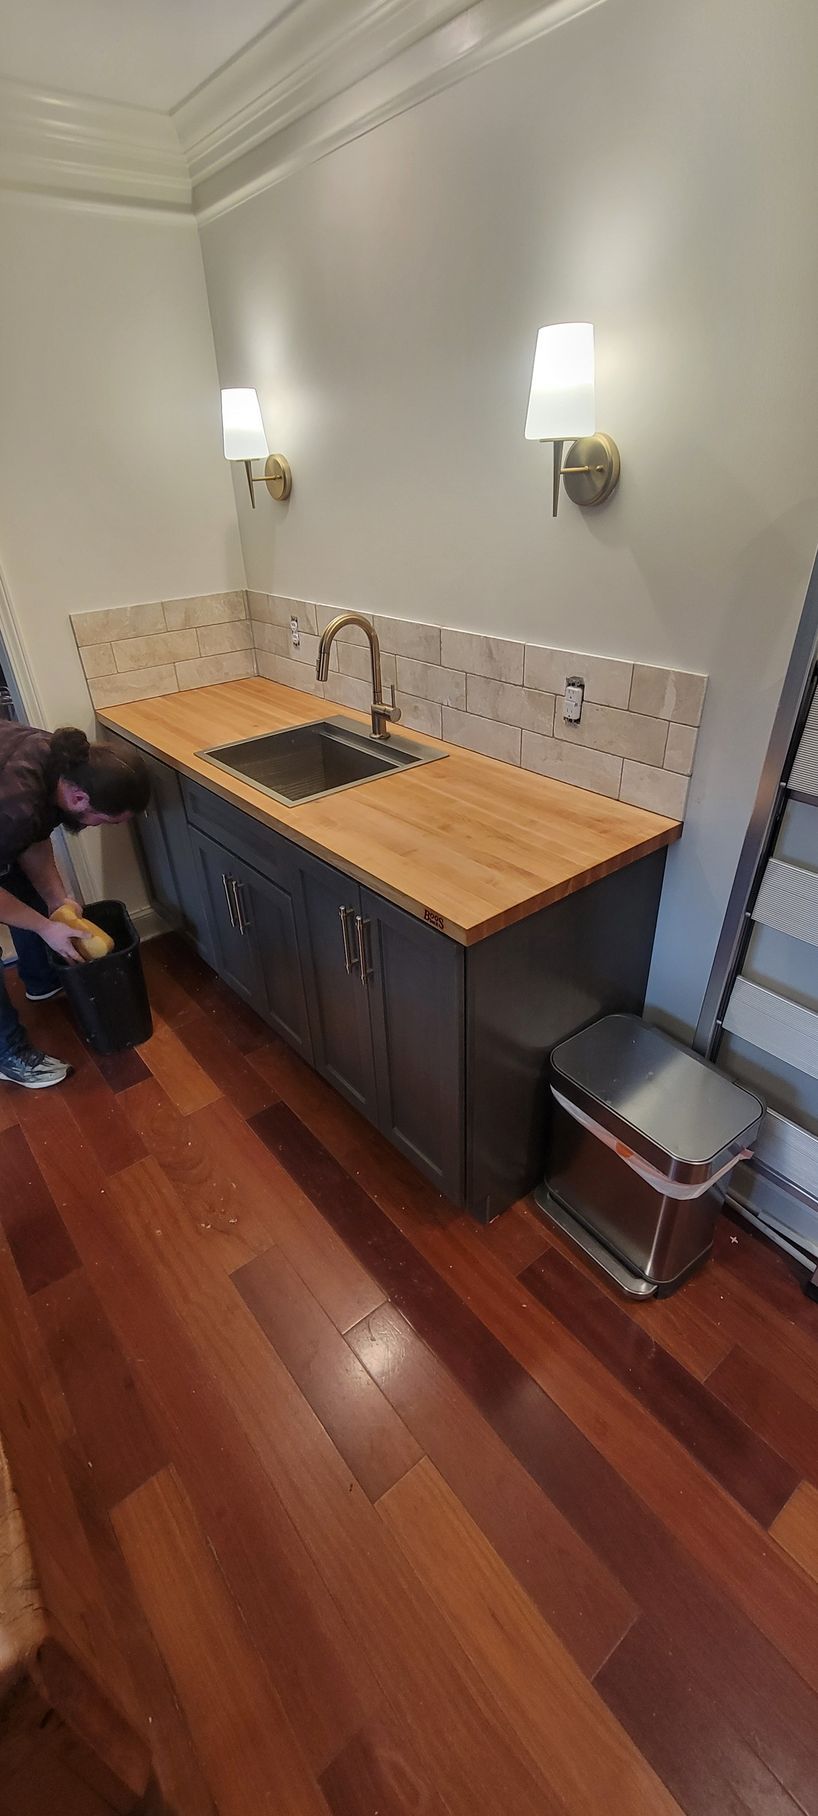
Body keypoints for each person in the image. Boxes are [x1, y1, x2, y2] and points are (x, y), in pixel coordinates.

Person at [0, 722, 150, 1088]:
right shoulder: (13, 804)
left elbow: (33, 837)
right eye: (106, 821)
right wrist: (44, 927)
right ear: (80, 799)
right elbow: (20, 819)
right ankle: (8, 1053)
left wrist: (56, 900)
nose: (102, 827)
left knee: (33, 899)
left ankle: (42, 980)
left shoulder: (61, 762)